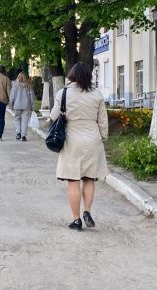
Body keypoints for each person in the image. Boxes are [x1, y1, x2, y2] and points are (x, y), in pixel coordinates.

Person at [51, 62, 108, 232]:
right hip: (92, 140)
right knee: (89, 178)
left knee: (73, 180)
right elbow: (103, 121)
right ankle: (87, 212)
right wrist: (103, 137)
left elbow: (54, 116)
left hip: (72, 141)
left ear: (72, 75)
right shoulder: (97, 94)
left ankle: (76, 220)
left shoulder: (64, 93)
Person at [10, 72, 36, 141]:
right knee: (25, 120)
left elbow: (12, 96)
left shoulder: (15, 84)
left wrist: (11, 104)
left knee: (17, 119)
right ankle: (23, 135)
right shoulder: (28, 85)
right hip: (26, 105)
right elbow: (32, 96)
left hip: (17, 105)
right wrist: (32, 106)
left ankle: (18, 133)